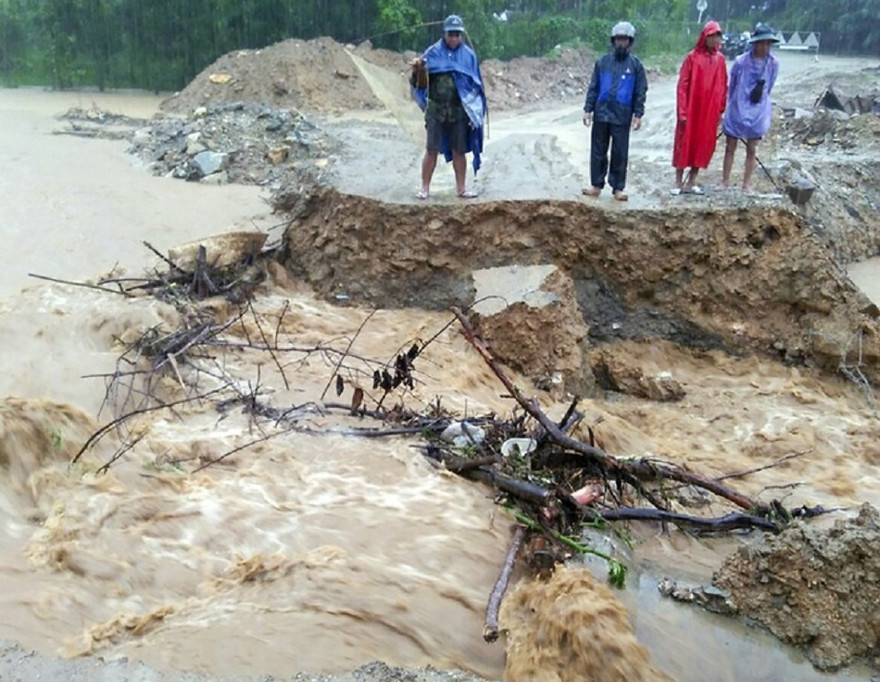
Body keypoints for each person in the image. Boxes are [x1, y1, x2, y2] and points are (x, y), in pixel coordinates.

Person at [410, 14, 487, 200]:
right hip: (436, 109)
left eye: (457, 34)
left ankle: (461, 189)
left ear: (461, 35)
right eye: (451, 34)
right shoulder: (432, 53)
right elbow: (419, 84)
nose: (454, 38)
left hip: (459, 111)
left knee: (459, 151)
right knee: (431, 150)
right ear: (444, 34)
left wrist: (474, 114)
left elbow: (476, 87)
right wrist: (417, 70)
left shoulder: (468, 56)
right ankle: (425, 188)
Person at [582, 21, 648, 202]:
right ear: (613, 40)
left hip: (622, 116)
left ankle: (618, 188)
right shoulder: (602, 63)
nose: (621, 42)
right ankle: (596, 185)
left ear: (630, 42)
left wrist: (638, 114)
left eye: (624, 39)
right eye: (618, 39)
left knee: (620, 153)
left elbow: (640, 91)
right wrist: (588, 109)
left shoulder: (636, 66)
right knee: (598, 151)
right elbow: (593, 87)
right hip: (601, 113)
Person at [721, 23, 780, 194]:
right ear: (755, 43)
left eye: (768, 43)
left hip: (758, 109)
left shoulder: (773, 64)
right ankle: (725, 181)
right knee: (730, 146)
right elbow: (732, 86)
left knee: (752, 148)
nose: (764, 47)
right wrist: (730, 104)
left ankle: (746, 184)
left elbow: (770, 86)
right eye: (762, 43)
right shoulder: (741, 62)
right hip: (738, 106)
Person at [672, 20, 728, 195]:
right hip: (692, 108)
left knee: (702, 144)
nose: (714, 39)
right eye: (711, 36)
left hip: (708, 111)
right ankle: (678, 182)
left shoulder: (720, 60)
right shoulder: (692, 57)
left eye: (717, 36)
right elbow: (683, 85)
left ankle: (692, 180)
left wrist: (720, 109)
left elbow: (723, 85)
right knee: (684, 142)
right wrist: (682, 111)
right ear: (705, 37)